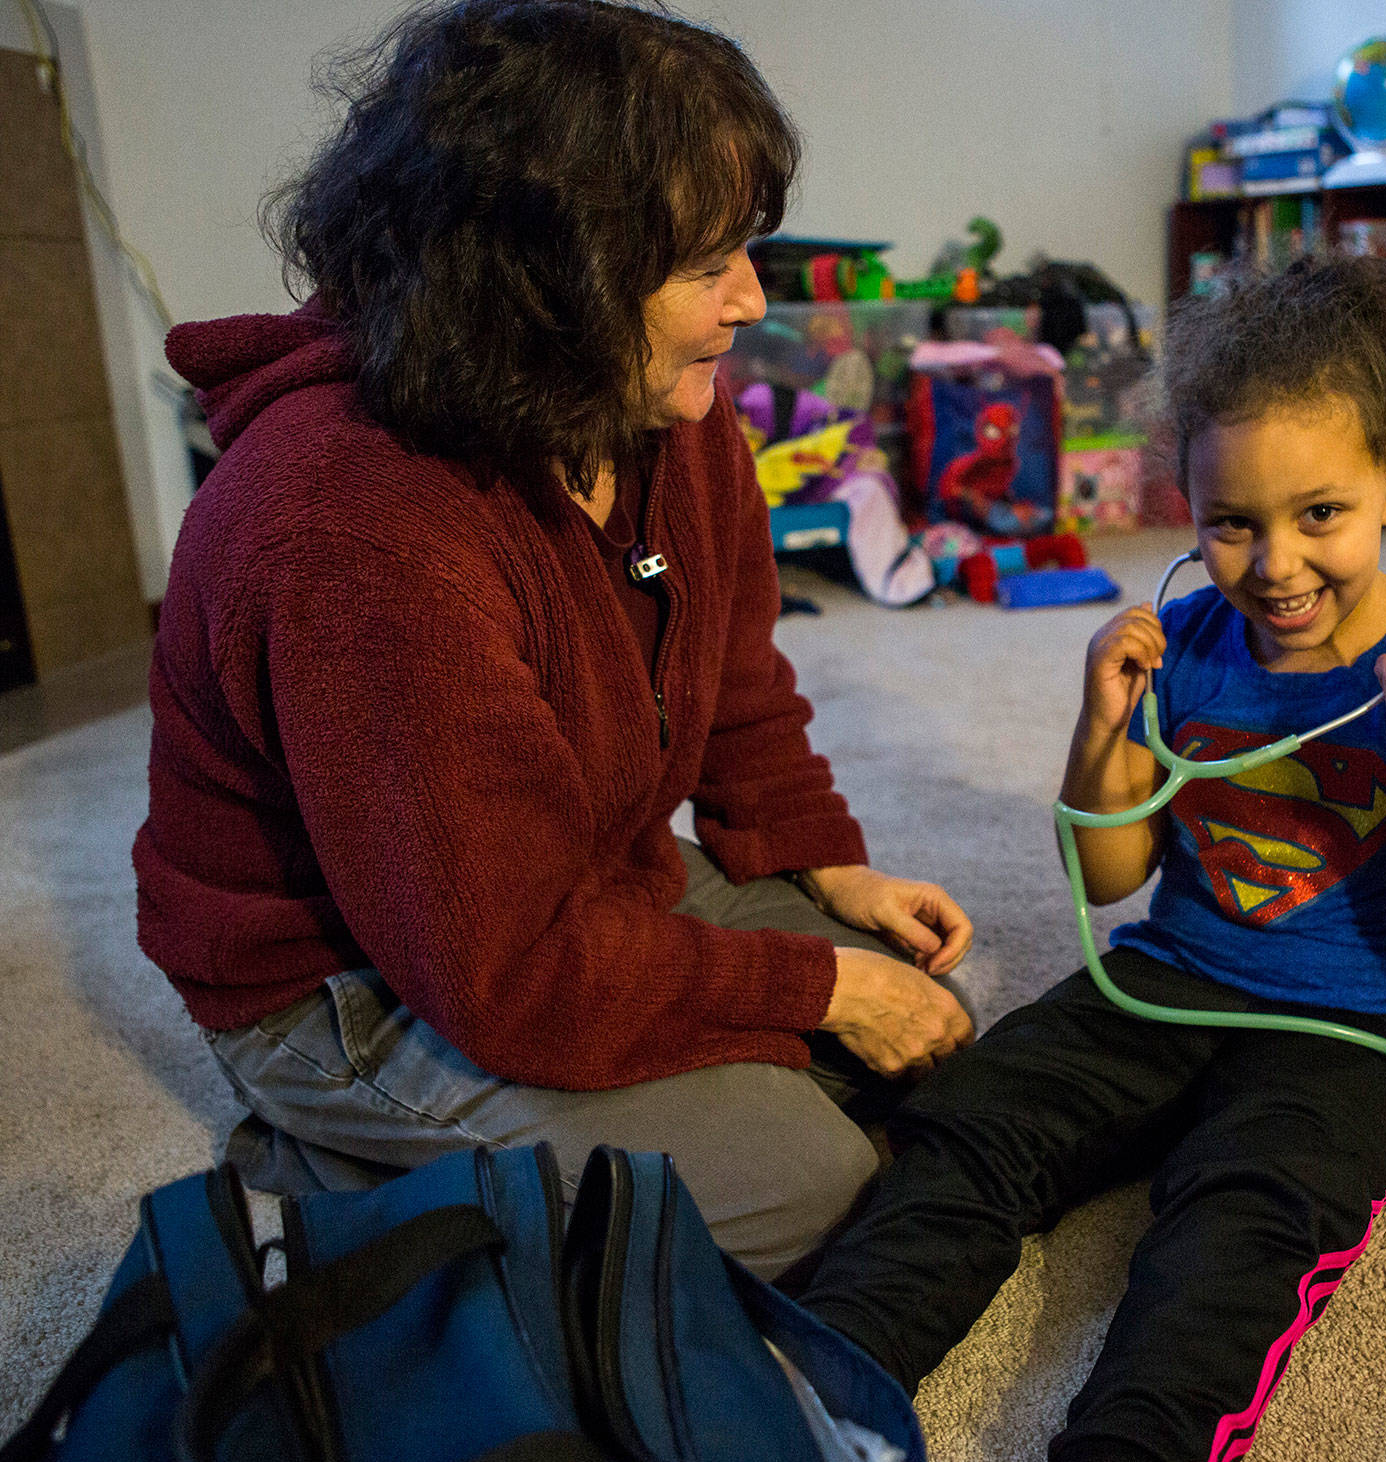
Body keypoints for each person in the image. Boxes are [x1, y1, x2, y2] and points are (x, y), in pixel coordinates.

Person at [132, 0, 974, 1282]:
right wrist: (820, 991)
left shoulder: (673, 419)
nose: (752, 300)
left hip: (565, 882)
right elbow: (508, 966)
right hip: (348, 977)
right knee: (805, 1187)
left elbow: (736, 676)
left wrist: (823, 868)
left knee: (933, 1037)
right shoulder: (351, 525)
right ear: (543, 282)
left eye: (747, 249)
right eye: (707, 267)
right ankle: (322, 1166)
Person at [800, 254, 1386, 1461]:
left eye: (1320, 516)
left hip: (1350, 1041)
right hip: (1164, 978)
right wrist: (1100, 722)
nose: (1275, 565)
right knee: (975, 1121)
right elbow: (1105, 879)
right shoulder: (1185, 642)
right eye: (1230, 524)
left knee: (1236, 1234)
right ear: (1186, 510)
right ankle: (810, 1390)